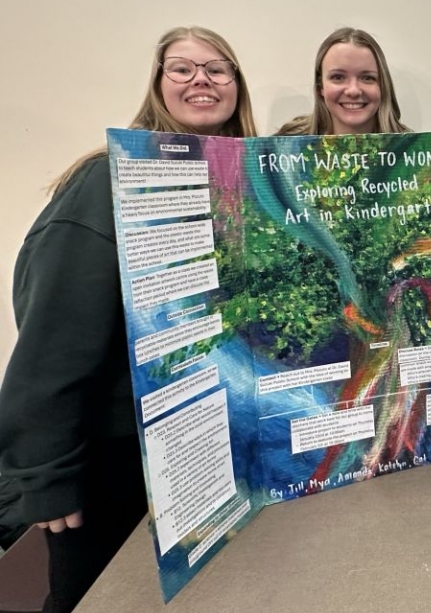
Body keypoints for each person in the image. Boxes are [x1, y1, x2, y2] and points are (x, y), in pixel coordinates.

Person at [0, 26, 257, 613]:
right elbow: (51, 339)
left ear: (236, 86)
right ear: (158, 83)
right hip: (113, 459)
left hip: (203, 439)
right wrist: (45, 474)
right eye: (182, 68)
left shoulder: (239, 181)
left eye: (218, 69)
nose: (201, 80)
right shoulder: (106, 180)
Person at [277, 28, 409, 135]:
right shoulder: (285, 146)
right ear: (320, 87)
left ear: (383, 86)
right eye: (338, 77)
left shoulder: (414, 150)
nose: (353, 90)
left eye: (367, 78)